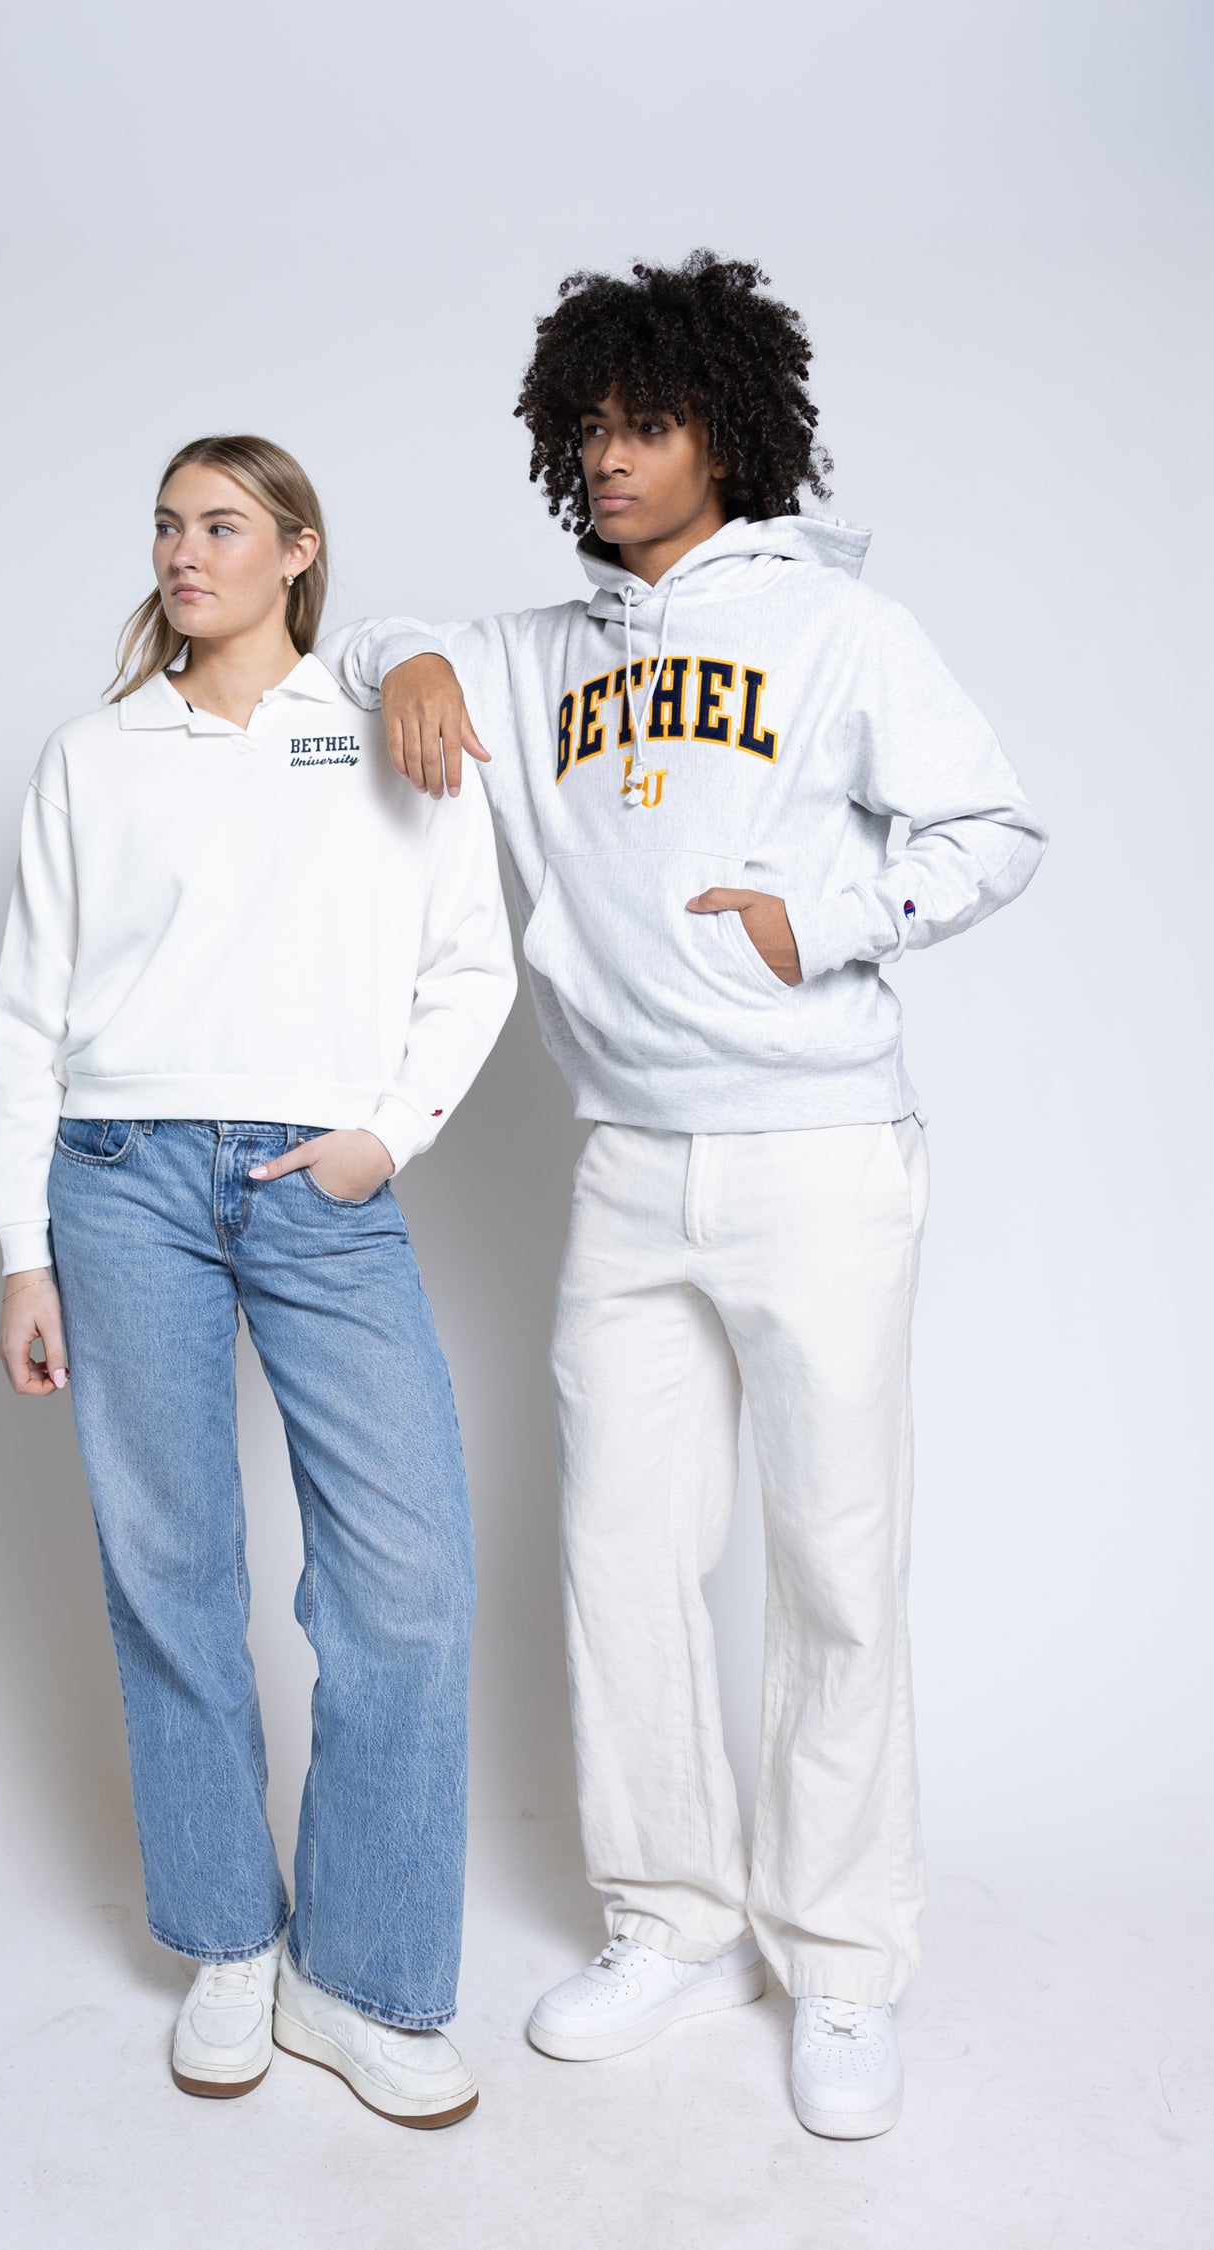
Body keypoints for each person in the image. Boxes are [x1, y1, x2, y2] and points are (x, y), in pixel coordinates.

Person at [322, 251, 1047, 2140]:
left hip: (820, 1149)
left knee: (833, 1561)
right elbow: (365, 633)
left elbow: (994, 829)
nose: (609, 456)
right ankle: (669, 1917)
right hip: (627, 1166)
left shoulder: (837, 632)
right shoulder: (541, 647)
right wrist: (403, 649)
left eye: (642, 423)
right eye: (587, 429)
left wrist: (833, 920)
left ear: (726, 426)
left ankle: (844, 1961)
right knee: (624, 1558)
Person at [0, 433, 515, 2129]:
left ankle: (355, 1973)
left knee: (410, 1571)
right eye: (164, 524)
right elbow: (25, 1012)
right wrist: (21, 1247)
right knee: (171, 1565)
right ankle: (227, 1938)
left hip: (319, 1182)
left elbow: (471, 959)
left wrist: (384, 1138)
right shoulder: (93, 755)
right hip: (120, 1181)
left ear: (298, 552)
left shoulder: (379, 727)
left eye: (221, 526)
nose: (182, 553)